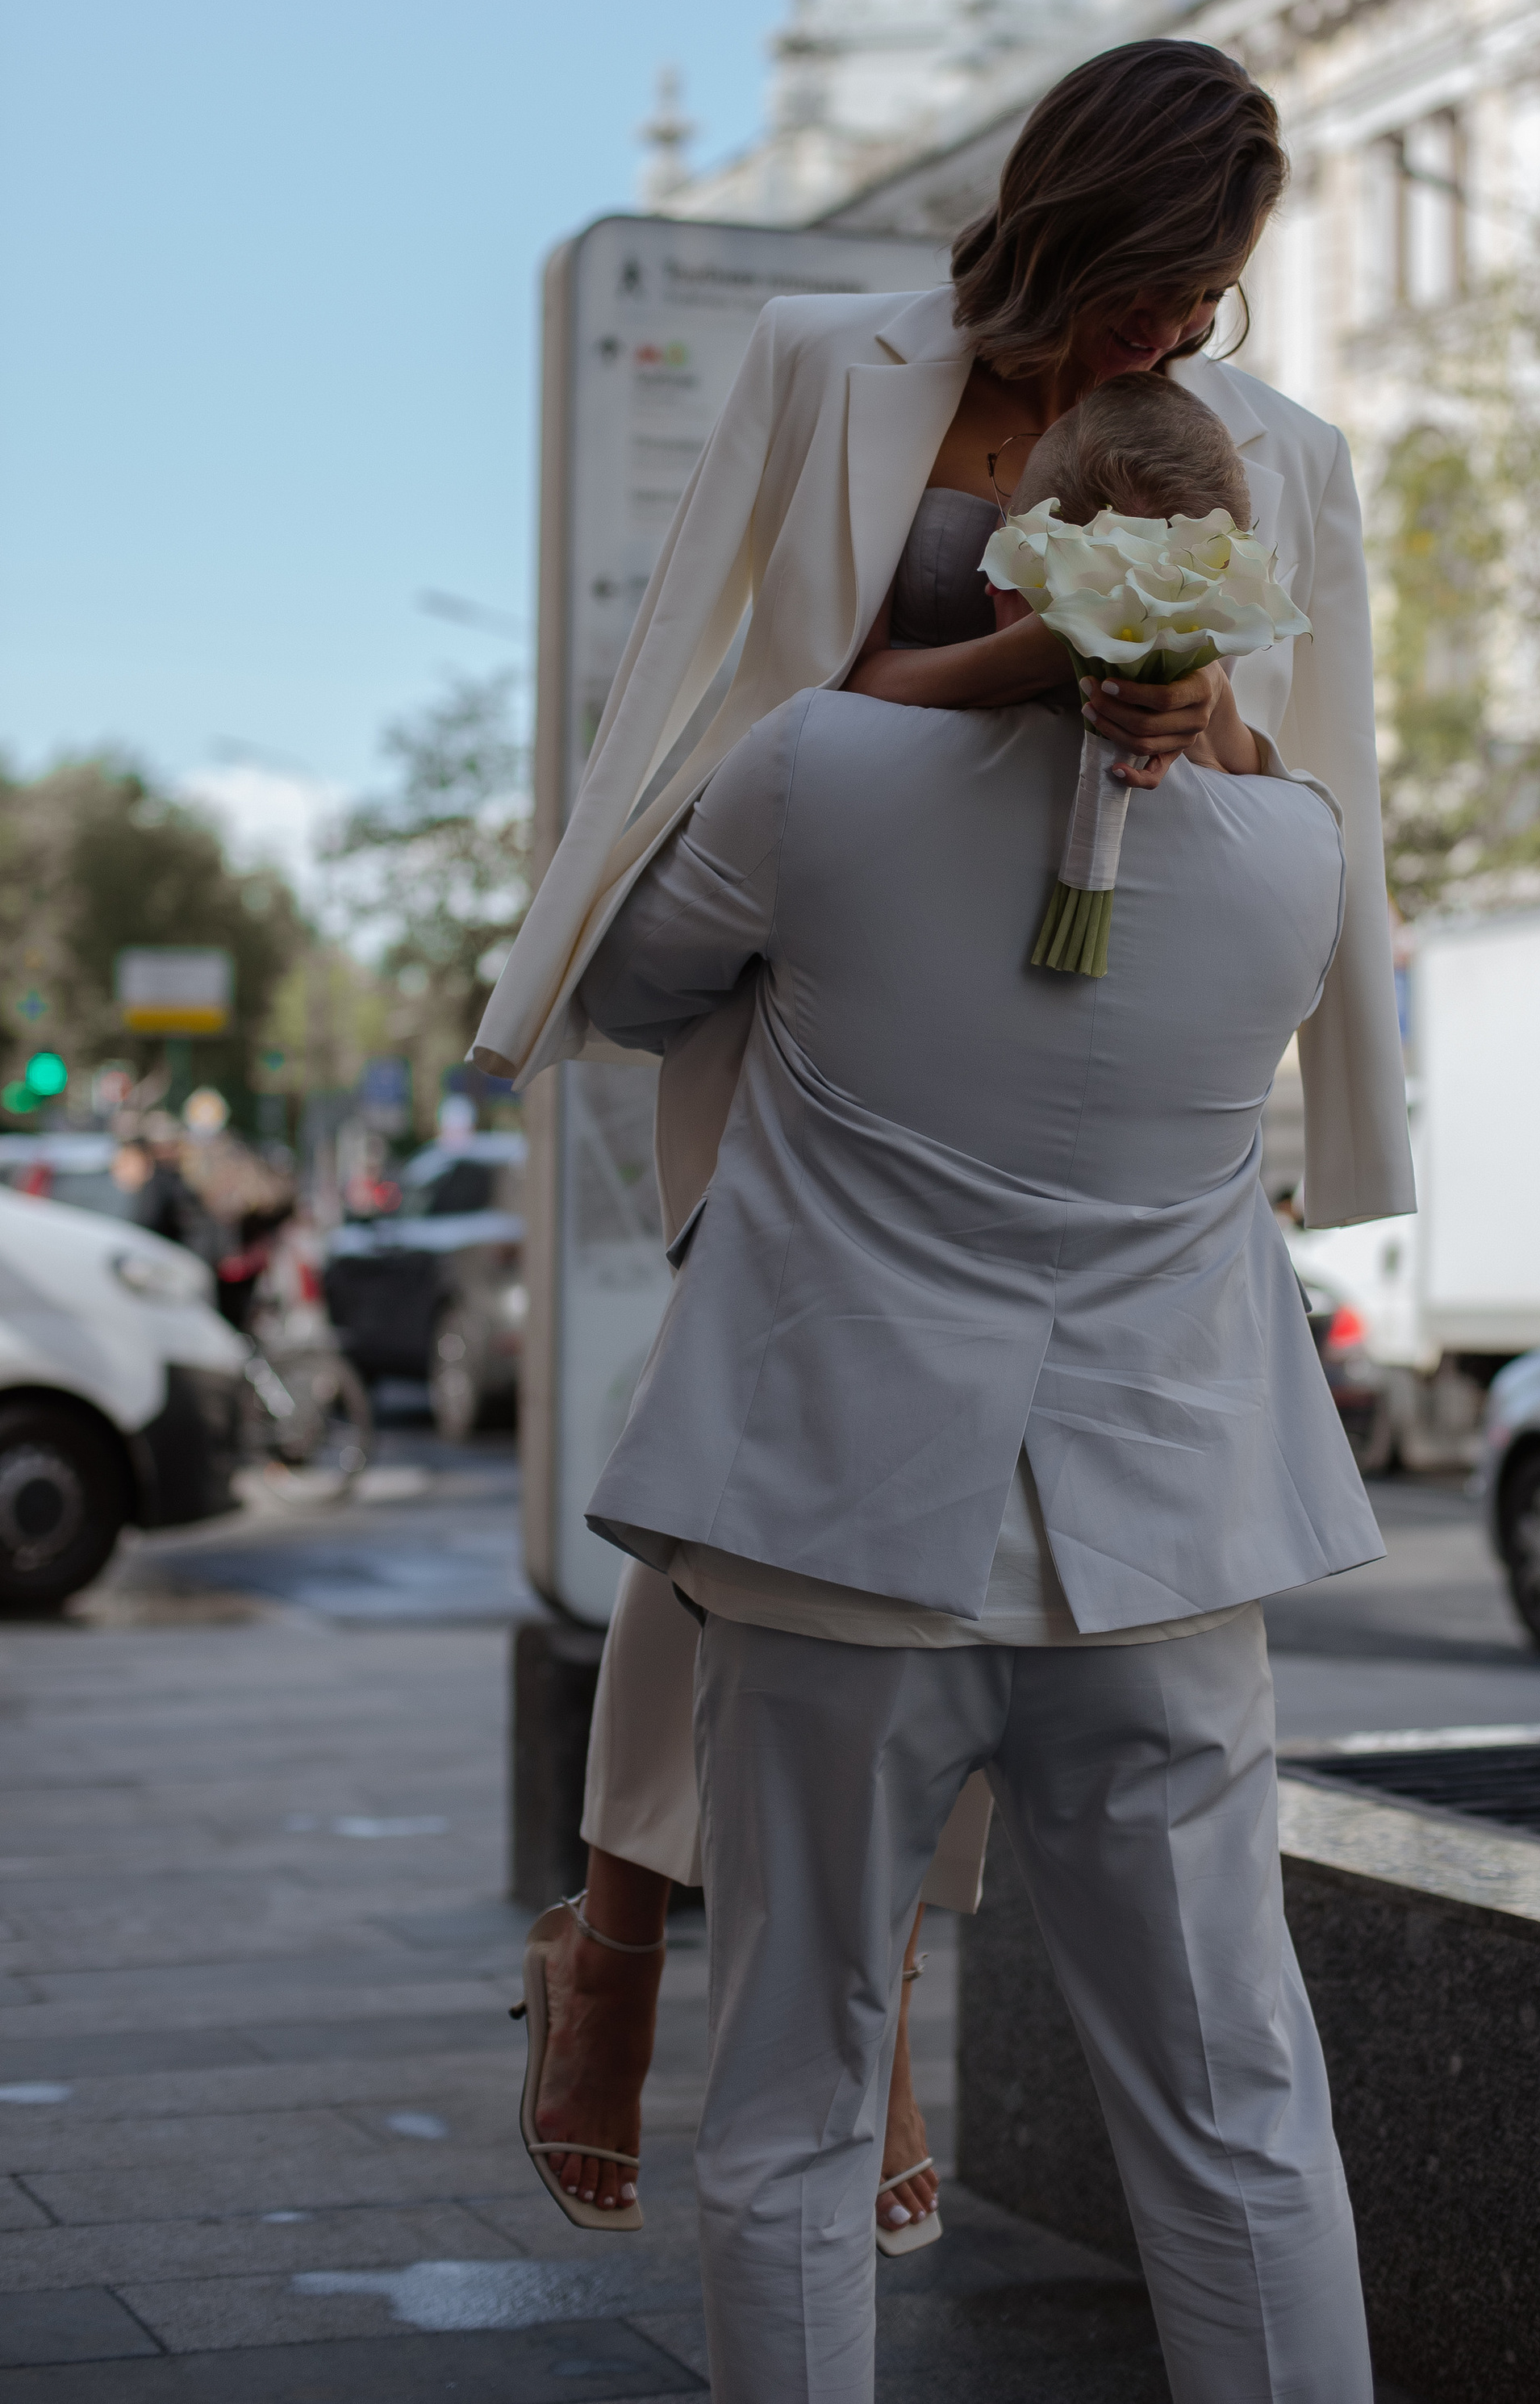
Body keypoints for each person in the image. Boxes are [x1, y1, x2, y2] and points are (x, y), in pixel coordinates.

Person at [474, 37, 1416, 2232]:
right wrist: (1011, 676)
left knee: (887, 1541)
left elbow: (1318, 775)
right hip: (820, 1026)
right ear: (1060, 226)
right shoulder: (832, 364)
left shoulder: (1278, 451)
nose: (1168, 341)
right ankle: (687, 1965)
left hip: (1084, 1051)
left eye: (1206, 304)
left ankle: (685, 1964)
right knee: (755, 1505)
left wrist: (1209, 708)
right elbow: (722, 698)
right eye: (1143, 292)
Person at [570, 386, 1382, 2402]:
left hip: (835, 1537)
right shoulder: (1292, 847)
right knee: (1234, 2112)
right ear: (1227, 604)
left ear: (1017, 554)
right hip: (1168, 1547)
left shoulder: (820, 772)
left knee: (793, 2110)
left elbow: (628, 985)